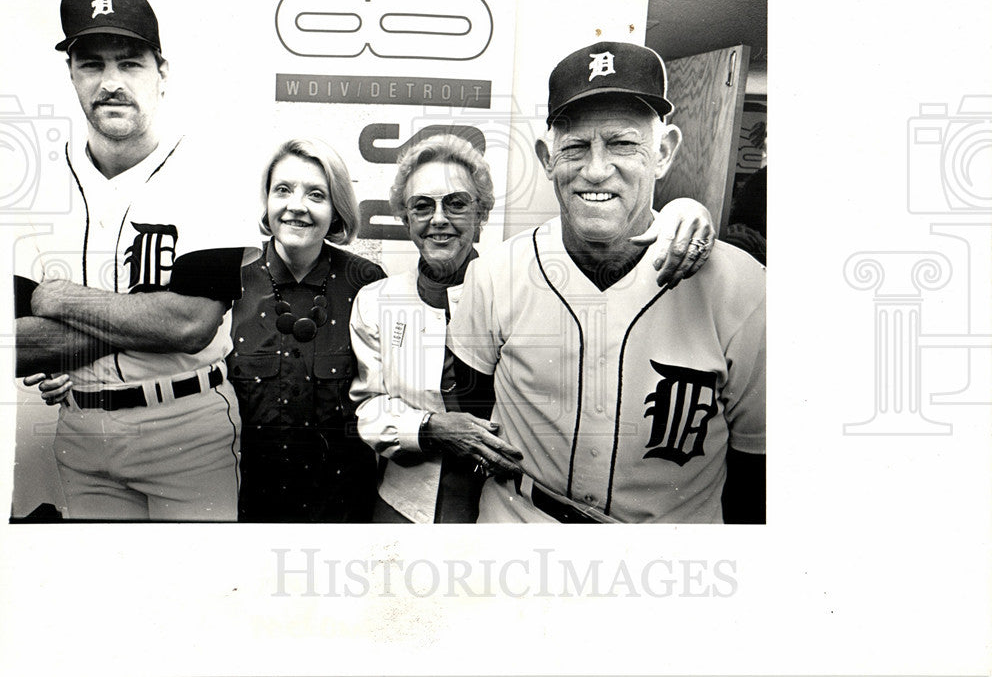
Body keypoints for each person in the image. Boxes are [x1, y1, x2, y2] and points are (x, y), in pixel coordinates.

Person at [447, 41, 766, 524]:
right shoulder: (494, 274)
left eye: (622, 144)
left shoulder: (742, 286)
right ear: (547, 158)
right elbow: (470, 410)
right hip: (519, 533)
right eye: (575, 147)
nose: (597, 169)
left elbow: (757, 467)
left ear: (664, 152)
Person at [350, 133, 717, 523]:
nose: (438, 218)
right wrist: (429, 428)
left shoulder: (516, 282)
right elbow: (369, 405)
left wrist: (688, 209)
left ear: (482, 215)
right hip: (406, 506)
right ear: (406, 218)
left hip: (506, 509)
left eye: (457, 203)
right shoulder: (377, 300)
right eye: (422, 206)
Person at [15, 0, 258, 521]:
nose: (111, 83)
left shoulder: (213, 172)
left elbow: (189, 324)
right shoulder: (34, 184)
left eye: (130, 63)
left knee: (197, 593)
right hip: (80, 431)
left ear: (161, 72)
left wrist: (54, 299)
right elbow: (13, 344)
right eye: (91, 65)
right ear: (72, 74)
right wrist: (139, 316)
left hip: (185, 426)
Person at [227, 138, 385, 522]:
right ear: (267, 200)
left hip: (342, 510)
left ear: (337, 211)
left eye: (316, 194)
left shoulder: (366, 282)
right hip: (247, 507)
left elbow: (391, 395)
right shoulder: (231, 280)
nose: (296, 206)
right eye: (283, 190)